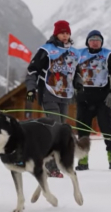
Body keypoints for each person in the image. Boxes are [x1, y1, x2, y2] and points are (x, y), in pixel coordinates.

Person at [25, 20, 83, 178]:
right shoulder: (46, 50)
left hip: (65, 95)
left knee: (62, 130)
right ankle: (50, 166)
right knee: (54, 128)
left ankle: (57, 162)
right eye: (62, 32)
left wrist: (79, 83)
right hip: (48, 93)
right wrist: (31, 89)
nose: (65, 36)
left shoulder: (73, 52)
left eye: (67, 33)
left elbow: (76, 71)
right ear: (56, 33)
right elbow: (32, 70)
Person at [75, 30, 111, 171]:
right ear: (87, 42)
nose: (95, 42)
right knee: (82, 129)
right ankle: (83, 160)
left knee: (107, 127)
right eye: (92, 39)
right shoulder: (78, 54)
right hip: (84, 98)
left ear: (101, 42)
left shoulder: (108, 55)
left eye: (98, 39)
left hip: (103, 99)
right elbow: (70, 72)